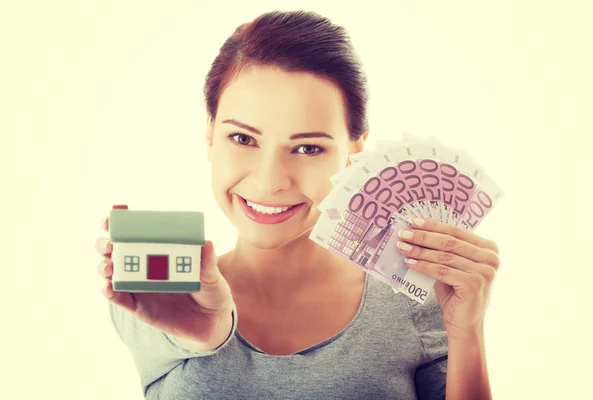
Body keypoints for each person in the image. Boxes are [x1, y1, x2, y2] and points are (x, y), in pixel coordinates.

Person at [96, 10, 500, 400]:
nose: (270, 182)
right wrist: (204, 334)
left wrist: (467, 330)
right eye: (243, 139)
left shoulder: (416, 301)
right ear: (210, 133)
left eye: (308, 147)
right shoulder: (158, 293)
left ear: (354, 152)